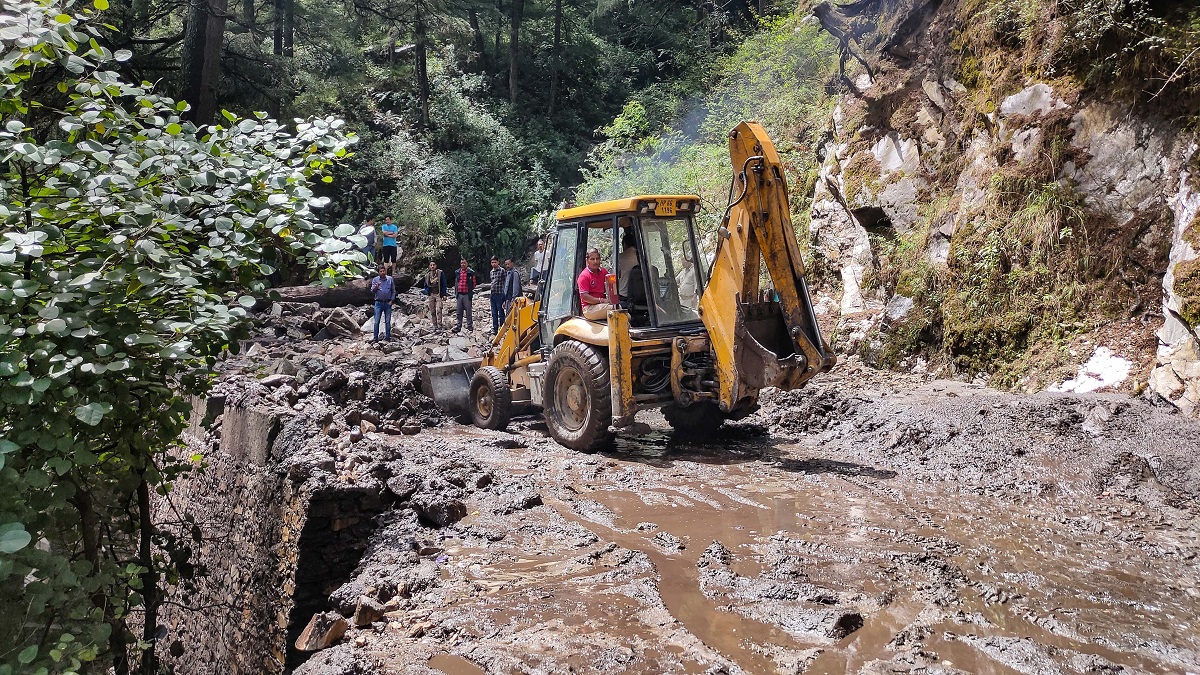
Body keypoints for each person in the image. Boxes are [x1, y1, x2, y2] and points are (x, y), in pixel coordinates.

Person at [577, 248, 615, 321]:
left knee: (624, 313)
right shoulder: (584, 276)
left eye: (597, 259)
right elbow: (584, 296)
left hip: (601, 305)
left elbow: (611, 285)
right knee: (616, 309)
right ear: (587, 261)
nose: (595, 261)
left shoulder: (603, 272)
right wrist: (601, 300)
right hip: (589, 308)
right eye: (592, 259)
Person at [370, 265, 395, 342]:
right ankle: (375, 338)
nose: (382, 273)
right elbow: (372, 291)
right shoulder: (375, 280)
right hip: (378, 303)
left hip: (387, 303)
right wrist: (376, 286)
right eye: (381, 271)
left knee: (387, 321)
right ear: (378, 272)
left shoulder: (390, 279)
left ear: (385, 271)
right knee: (376, 321)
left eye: (383, 271)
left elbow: (393, 291)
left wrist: (392, 300)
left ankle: (388, 337)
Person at [452, 259, 478, 333]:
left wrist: (470, 290)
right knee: (459, 311)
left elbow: (474, 283)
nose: (463, 264)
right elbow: (456, 282)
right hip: (459, 294)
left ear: (467, 264)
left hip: (467, 294)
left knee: (468, 311)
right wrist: (456, 292)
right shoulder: (457, 272)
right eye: (461, 263)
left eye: (464, 263)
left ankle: (469, 326)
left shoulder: (470, 272)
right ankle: (458, 326)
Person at [421, 261, 448, 330]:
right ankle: (434, 325)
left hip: (438, 294)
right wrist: (427, 292)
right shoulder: (427, 276)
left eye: (434, 265)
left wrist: (444, 294)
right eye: (431, 265)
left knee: (439, 309)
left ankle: (440, 325)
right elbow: (425, 286)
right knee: (432, 311)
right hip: (431, 294)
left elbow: (444, 284)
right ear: (429, 267)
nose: (432, 266)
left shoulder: (440, 273)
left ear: (436, 266)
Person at [617, 227, 639, 298]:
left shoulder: (620, 257)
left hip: (624, 296)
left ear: (624, 244)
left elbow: (615, 276)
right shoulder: (642, 256)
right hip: (644, 297)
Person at [488, 256, 505, 334]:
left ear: (498, 262)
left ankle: (502, 327)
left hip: (500, 294)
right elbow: (492, 282)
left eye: (495, 262)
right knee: (494, 313)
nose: (494, 264)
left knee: (500, 311)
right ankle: (495, 328)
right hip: (493, 294)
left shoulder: (502, 271)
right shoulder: (491, 272)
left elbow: (505, 283)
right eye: (492, 262)